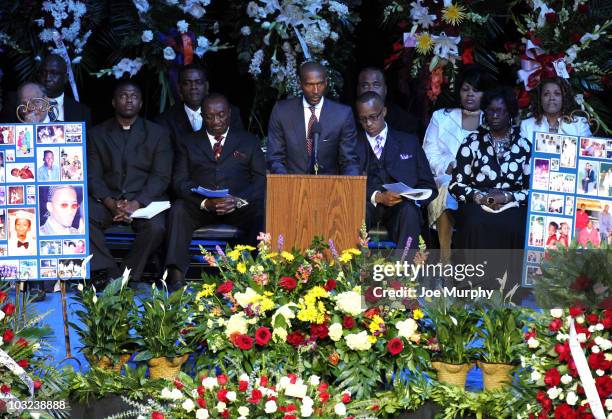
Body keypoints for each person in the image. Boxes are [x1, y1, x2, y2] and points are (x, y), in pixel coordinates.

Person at [165, 94, 265, 290]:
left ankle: (255, 272)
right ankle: (176, 276)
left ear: (229, 114)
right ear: (203, 116)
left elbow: (261, 180)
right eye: (210, 116)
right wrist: (204, 202)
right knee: (178, 209)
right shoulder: (188, 142)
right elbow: (179, 181)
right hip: (201, 206)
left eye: (221, 115)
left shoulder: (248, 140)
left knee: (261, 210)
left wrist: (237, 200)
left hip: (237, 206)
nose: (216, 121)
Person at [88, 81, 172, 283]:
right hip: (108, 200)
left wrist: (136, 203)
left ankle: (126, 276)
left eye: (134, 96)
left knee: (157, 228)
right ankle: (110, 273)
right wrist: (111, 203)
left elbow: (161, 176)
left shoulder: (157, 133)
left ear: (141, 103)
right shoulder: (97, 134)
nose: (129, 100)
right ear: (114, 102)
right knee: (82, 219)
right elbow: (92, 175)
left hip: (144, 201)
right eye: (123, 96)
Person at [449, 87, 531, 289]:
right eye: (490, 111)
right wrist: (478, 197)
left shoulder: (524, 146)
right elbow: (456, 184)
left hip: (511, 204)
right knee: (474, 222)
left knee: (514, 225)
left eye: (499, 111)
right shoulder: (472, 142)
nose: (494, 115)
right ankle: (470, 287)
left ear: (510, 113)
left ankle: (508, 290)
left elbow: (533, 190)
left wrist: (508, 197)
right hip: (477, 202)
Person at [423, 65, 493, 263]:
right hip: (446, 177)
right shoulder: (441, 117)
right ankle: (445, 259)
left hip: (482, 182)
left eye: (476, 90)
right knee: (447, 191)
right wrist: (450, 166)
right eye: (465, 89)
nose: (470, 95)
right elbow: (429, 154)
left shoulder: (493, 118)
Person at [355, 92, 436, 249]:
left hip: (401, 206)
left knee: (409, 212)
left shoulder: (409, 142)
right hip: (367, 204)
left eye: (373, 117)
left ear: (384, 112)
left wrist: (412, 197)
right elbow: (346, 182)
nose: (369, 123)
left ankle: (405, 271)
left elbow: (428, 185)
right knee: (354, 210)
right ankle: (349, 269)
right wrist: (377, 196)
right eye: (363, 119)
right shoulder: (351, 143)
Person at [267, 61, 359, 175]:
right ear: (300, 83)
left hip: (329, 189)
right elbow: (275, 158)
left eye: (319, 84)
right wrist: (289, 186)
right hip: (291, 188)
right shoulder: (282, 111)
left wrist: (350, 189)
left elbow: (349, 161)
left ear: (326, 82)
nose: (315, 91)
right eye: (309, 85)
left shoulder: (342, 115)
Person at [155, 64, 243, 148]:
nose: (193, 87)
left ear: (207, 86)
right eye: (187, 83)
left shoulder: (230, 113)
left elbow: (238, 148)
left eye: (199, 82)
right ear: (179, 88)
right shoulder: (165, 121)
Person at [520, 77, 591, 143]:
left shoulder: (580, 124)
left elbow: (587, 154)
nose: (551, 98)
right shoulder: (526, 125)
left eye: (557, 94)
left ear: (564, 98)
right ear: (540, 99)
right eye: (546, 94)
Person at [356, 67, 419, 135]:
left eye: (376, 85)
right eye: (365, 86)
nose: (371, 90)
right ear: (357, 90)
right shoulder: (348, 119)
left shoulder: (405, 121)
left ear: (385, 89)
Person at [36, 54, 91, 125]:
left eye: (54, 73)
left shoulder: (82, 112)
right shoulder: (25, 107)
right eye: (43, 73)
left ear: (65, 78)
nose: (47, 78)